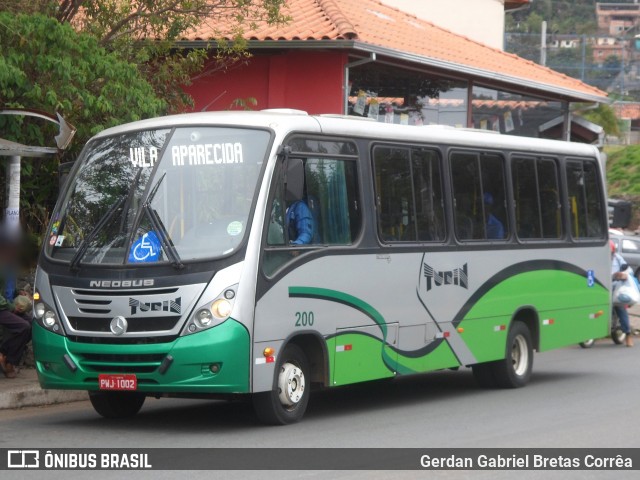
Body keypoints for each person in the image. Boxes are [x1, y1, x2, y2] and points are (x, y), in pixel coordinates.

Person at [611, 240, 634, 347]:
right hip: (602, 288)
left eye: (611, 252)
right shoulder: (598, 259)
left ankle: (628, 334)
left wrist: (622, 274)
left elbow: (629, 270)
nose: (610, 255)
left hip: (616, 289)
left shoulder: (617, 258)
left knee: (620, 309)